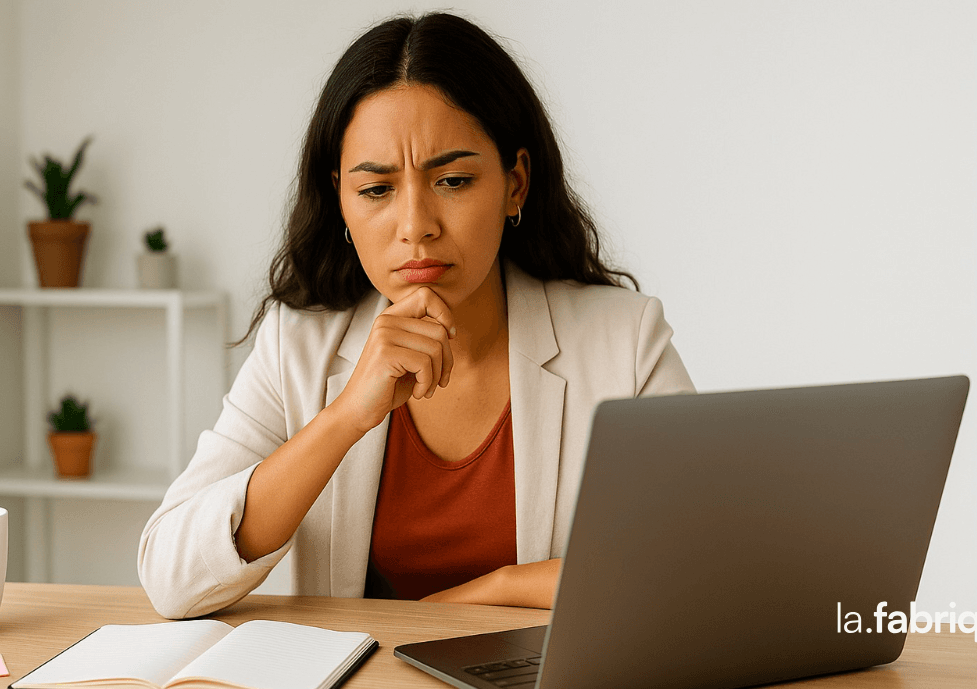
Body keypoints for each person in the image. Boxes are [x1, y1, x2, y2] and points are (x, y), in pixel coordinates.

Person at [137, 12, 695, 620]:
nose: (415, 227)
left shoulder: (626, 341)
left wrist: (497, 589)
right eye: (376, 191)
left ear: (515, 184)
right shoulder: (295, 344)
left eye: (453, 180)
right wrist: (348, 415)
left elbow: (697, 565)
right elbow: (171, 578)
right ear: (341, 203)